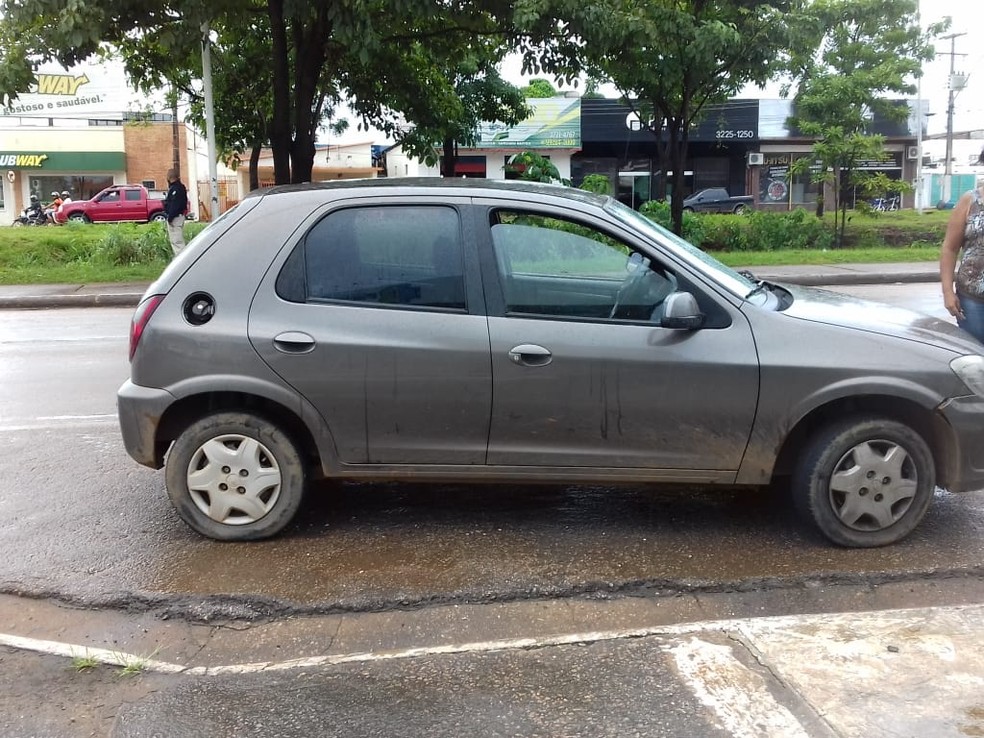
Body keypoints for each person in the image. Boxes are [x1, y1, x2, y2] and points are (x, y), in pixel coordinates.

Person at [941, 151, 984, 343]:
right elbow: (950, 248)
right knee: (975, 359)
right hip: (973, 300)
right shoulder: (970, 201)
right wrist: (948, 292)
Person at [164, 168, 188, 255]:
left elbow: (175, 205)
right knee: (176, 240)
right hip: (178, 216)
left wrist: (170, 217)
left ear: (169, 177)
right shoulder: (180, 187)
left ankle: (181, 259)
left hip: (175, 217)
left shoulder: (175, 189)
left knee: (177, 241)